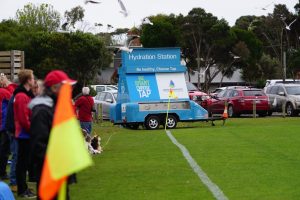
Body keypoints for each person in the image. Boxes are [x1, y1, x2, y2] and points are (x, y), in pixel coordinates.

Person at [29, 70, 76, 199]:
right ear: (55, 87)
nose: (69, 90)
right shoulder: (42, 111)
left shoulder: (56, 107)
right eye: (65, 87)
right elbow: (39, 146)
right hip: (50, 174)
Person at [13, 69, 36, 198]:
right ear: (28, 80)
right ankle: (22, 189)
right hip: (24, 134)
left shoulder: (25, 94)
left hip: (26, 133)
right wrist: (32, 130)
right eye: (32, 78)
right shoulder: (21, 96)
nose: (34, 80)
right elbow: (23, 118)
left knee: (24, 162)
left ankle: (24, 188)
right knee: (22, 163)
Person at [0, 75, 12, 180]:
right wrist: (8, 85)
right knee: (4, 151)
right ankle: (2, 172)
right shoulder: (4, 92)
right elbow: (12, 98)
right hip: (3, 125)